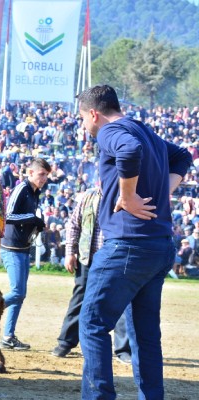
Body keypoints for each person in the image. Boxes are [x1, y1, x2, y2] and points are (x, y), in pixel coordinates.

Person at [76, 85, 192, 399]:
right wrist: (164, 192)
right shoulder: (147, 132)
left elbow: (128, 151)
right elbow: (183, 156)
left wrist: (127, 197)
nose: (84, 126)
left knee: (92, 324)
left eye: (83, 119)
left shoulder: (110, 132)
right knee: (145, 334)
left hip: (127, 246)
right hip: (158, 246)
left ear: (94, 113)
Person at [0, 157, 51, 350]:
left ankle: (8, 336)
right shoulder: (22, 188)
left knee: (20, 294)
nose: (44, 178)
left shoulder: (36, 192)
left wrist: (35, 222)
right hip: (12, 248)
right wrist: (32, 218)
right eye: (41, 174)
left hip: (22, 247)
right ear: (30, 173)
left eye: (46, 175)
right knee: (18, 292)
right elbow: (8, 215)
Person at [50, 186, 131, 364]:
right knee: (79, 299)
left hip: (116, 259)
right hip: (88, 258)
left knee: (121, 302)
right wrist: (70, 252)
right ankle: (65, 342)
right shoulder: (89, 195)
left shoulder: (127, 195)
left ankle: (123, 349)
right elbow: (74, 224)